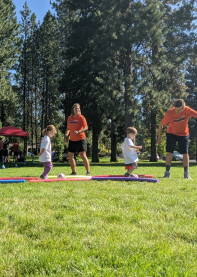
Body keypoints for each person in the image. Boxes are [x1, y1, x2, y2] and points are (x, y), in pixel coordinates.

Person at [157, 99, 197, 179]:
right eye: (176, 109)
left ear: (183, 107)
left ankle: (186, 174)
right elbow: (161, 123)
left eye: (179, 110)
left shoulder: (187, 110)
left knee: (185, 153)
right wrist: (159, 137)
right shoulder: (170, 112)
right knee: (169, 152)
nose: (177, 111)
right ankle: (167, 173)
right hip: (171, 134)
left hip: (184, 134)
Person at [64, 103, 90, 175]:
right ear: (73, 109)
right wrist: (65, 136)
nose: (77, 109)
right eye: (76, 108)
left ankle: (88, 171)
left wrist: (79, 131)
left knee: (82, 155)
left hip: (81, 139)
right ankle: (73, 172)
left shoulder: (81, 117)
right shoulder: (69, 118)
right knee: (70, 155)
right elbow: (68, 128)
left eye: (78, 108)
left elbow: (86, 127)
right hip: (72, 140)